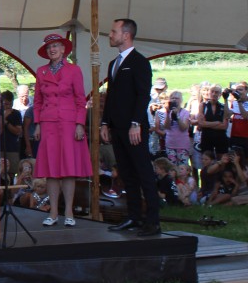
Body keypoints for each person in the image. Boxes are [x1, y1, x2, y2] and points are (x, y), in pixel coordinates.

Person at [101, 18, 160, 236]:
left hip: (133, 128)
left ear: (126, 34)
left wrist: (136, 123)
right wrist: (105, 122)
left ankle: (153, 220)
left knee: (143, 171)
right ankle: (134, 216)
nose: (110, 34)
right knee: (126, 173)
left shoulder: (139, 62)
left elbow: (143, 95)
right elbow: (111, 95)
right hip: (117, 128)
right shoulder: (113, 63)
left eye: (113, 31)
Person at [30, 33, 90, 227]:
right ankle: (53, 212)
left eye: (55, 46)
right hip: (48, 124)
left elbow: (81, 100)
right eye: (49, 48)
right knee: (51, 170)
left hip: (68, 123)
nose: (52, 50)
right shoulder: (41, 71)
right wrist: (37, 123)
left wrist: (80, 124)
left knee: (68, 170)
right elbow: (37, 101)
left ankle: (69, 211)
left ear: (64, 49)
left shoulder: (74, 70)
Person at [159, 90, 192, 167]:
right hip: (170, 145)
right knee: (172, 169)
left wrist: (177, 116)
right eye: (172, 98)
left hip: (182, 145)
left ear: (181, 100)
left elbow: (184, 128)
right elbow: (166, 126)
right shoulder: (168, 112)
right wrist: (167, 113)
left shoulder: (185, 112)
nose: (174, 100)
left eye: (176, 98)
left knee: (182, 169)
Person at [197, 84, 229, 156]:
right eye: (212, 91)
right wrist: (217, 123)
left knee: (222, 160)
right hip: (206, 137)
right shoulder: (203, 105)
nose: (214, 94)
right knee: (207, 160)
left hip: (220, 138)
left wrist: (207, 124)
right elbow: (201, 123)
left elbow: (224, 126)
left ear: (220, 94)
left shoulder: (223, 107)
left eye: (216, 92)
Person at [0, 91, 23, 181]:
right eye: (5, 104)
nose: (8, 107)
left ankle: (11, 193)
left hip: (12, 148)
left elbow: (18, 131)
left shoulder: (16, 113)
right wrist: (3, 117)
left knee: (12, 173)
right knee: (0, 173)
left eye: (10, 104)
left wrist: (7, 123)